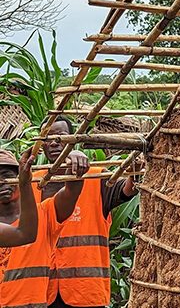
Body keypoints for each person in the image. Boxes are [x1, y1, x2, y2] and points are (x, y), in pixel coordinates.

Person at [34, 115, 139, 308]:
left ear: (73, 140)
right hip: (42, 291)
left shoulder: (97, 178)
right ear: (41, 145)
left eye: (62, 137)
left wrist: (136, 164)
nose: (55, 143)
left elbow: (129, 189)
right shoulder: (32, 182)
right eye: (49, 138)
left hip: (84, 291)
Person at [0, 146, 88, 308]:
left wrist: (76, 161)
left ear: (19, 179)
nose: (1, 183)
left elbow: (71, 192)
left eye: (6, 176)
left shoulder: (45, 213)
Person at [0, 149, 37, 248]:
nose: (1, 182)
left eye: (6, 175)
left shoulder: (42, 211)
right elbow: (25, 235)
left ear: (18, 177)